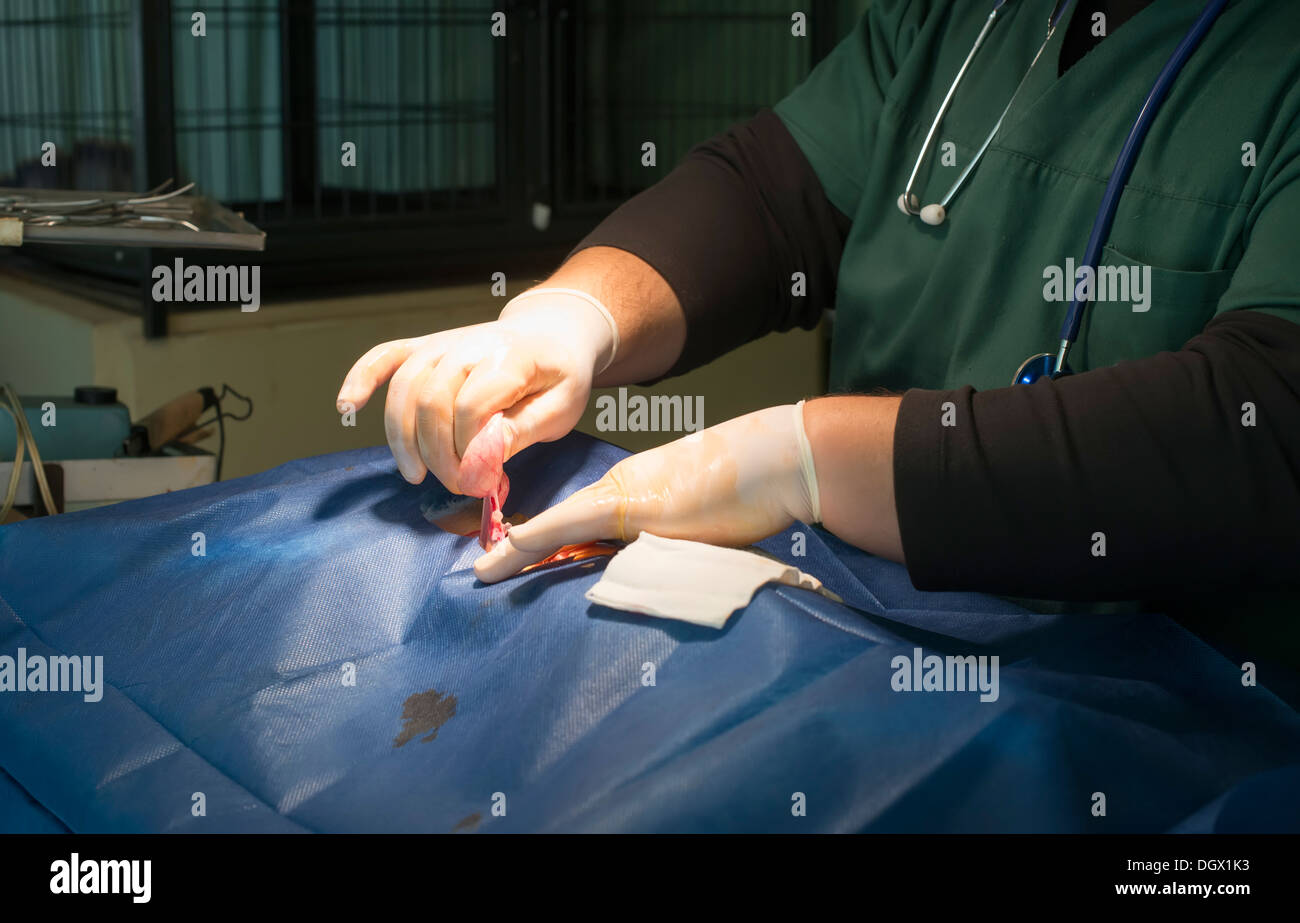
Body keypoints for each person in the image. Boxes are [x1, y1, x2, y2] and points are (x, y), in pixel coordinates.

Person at [338, 0, 1300, 672]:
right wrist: (574, 315)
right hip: (858, 649)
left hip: (1169, 735)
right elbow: (771, 195)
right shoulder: (961, 22)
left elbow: (1266, 422)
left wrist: (805, 458)